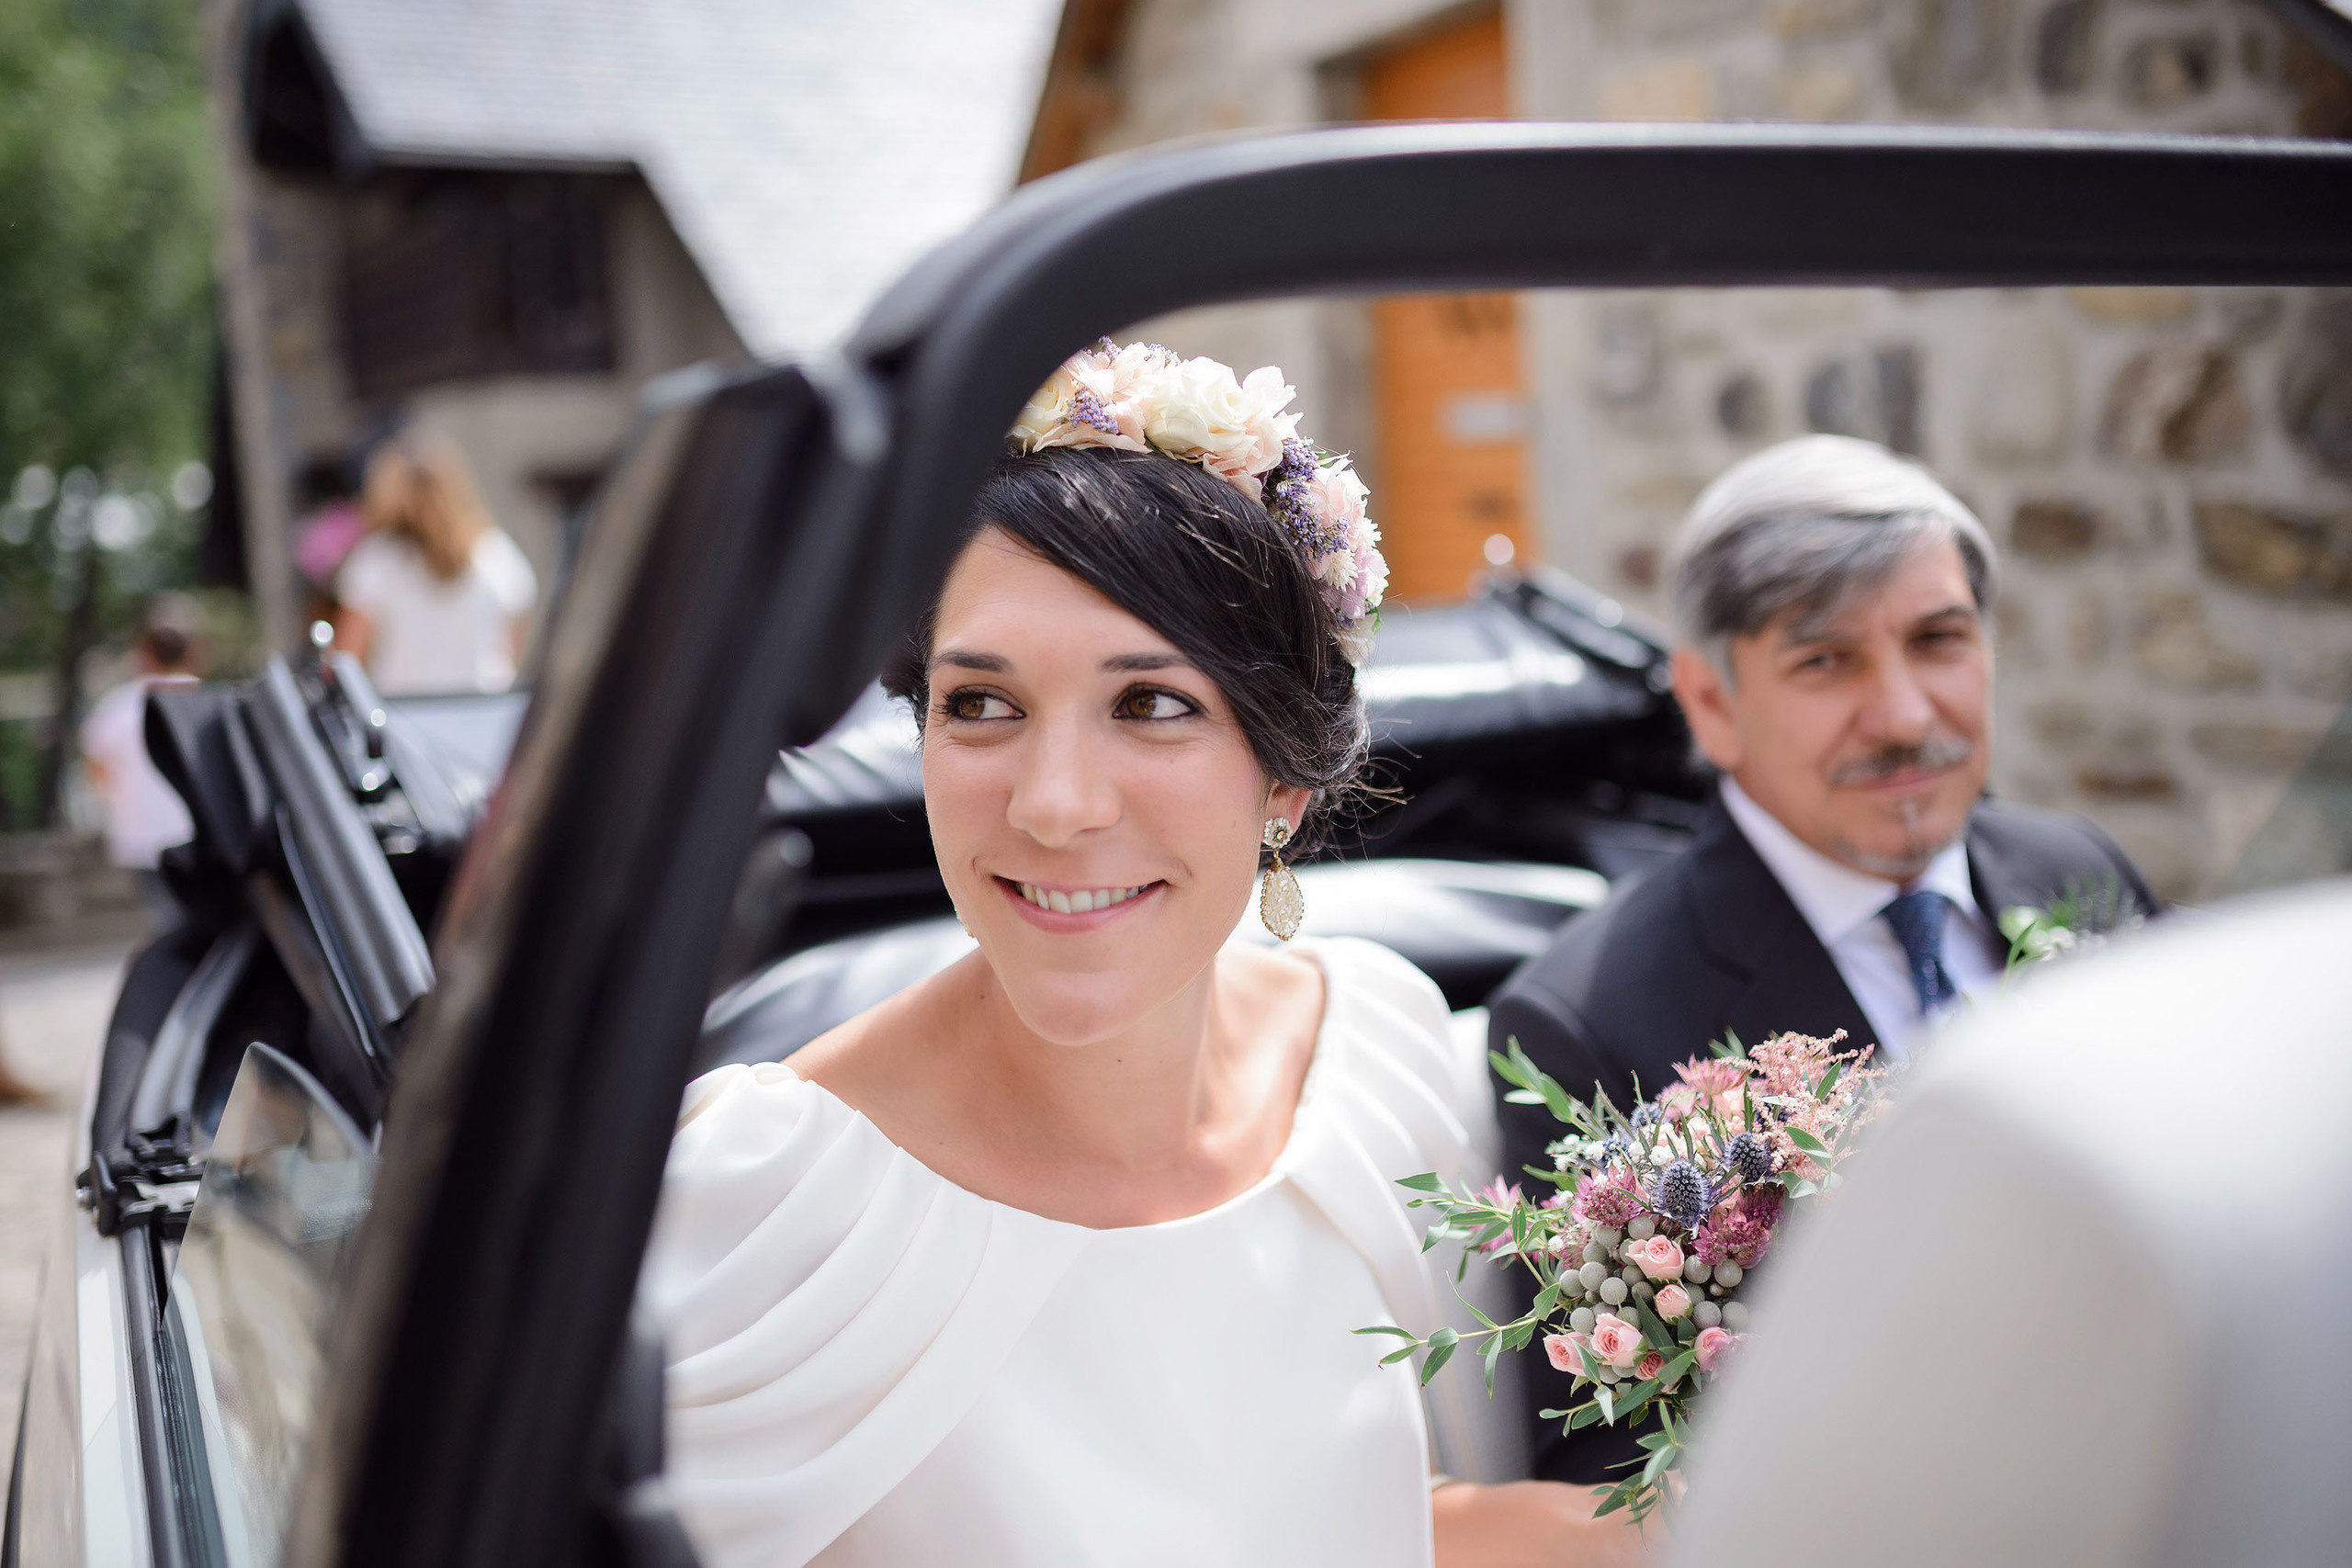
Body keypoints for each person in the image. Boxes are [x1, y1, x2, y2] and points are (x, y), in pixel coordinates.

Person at [641, 344, 1648, 1568]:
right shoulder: (760, 1198)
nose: (1054, 805)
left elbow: (1397, 1520)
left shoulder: (1376, 1059)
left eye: (1151, 705)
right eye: (981, 705)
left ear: (1283, 777)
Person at [1487, 434, 2156, 1483]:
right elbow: (1612, 1466)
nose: (1901, 714)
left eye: (1938, 640)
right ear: (1711, 703)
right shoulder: (1586, 1022)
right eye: (1824, 661)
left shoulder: (2083, 870)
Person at [333, 434, 537, 695]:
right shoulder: (495, 551)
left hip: (406, 715)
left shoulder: (375, 561)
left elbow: (347, 659)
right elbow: (513, 645)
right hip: (483, 712)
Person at [80, 592, 203, 931]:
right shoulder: (211, 702)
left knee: (169, 926)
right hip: (204, 838)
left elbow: (98, 776)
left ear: (144, 652)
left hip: (143, 843)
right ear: (192, 651)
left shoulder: (114, 710)